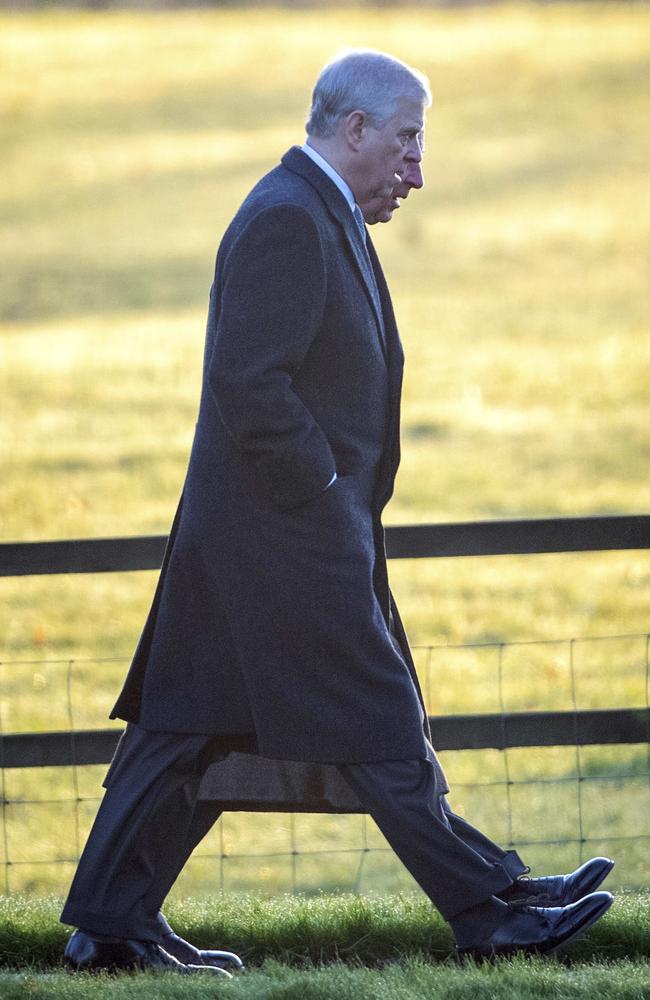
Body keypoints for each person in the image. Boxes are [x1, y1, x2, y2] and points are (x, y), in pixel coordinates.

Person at [61, 50, 613, 974]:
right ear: (352, 129)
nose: (418, 171)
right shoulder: (287, 219)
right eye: (406, 143)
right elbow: (251, 385)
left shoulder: (319, 211)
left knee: (184, 733)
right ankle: (491, 908)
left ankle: (110, 929)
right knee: (382, 722)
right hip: (284, 549)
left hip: (265, 545)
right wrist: (323, 497)